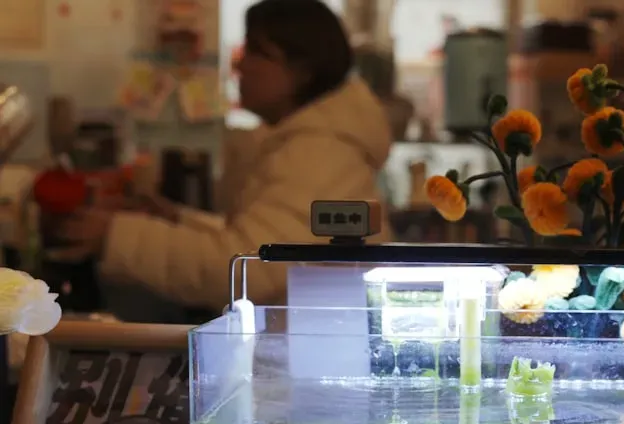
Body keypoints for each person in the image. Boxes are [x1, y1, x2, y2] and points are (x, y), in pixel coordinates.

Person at [62, 0, 392, 317]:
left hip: (311, 358)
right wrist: (176, 218)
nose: (239, 64)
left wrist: (116, 236)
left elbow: (253, 269)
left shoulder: (318, 152)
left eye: (256, 53)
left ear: (302, 71)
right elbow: (258, 239)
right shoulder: (307, 141)